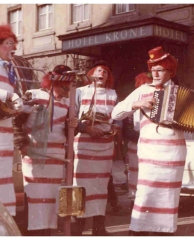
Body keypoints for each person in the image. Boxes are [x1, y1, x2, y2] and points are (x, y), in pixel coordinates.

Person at [111, 46, 194, 236]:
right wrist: (137, 104)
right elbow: (116, 112)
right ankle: (139, 231)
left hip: (174, 152)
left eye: (160, 69)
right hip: (149, 151)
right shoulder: (142, 90)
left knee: (168, 196)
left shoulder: (181, 92)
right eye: (153, 69)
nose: (155, 73)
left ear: (170, 71)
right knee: (146, 193)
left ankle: (164, 233)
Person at [13, 64, 78, 236]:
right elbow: (15, 120)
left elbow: (63, 130)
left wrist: (74, 126)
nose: (68, 90)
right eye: (66, 85)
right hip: (35, 157)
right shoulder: (35, 95)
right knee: (34, 200)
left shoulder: (67, 103)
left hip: (56, 159)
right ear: (55, 82)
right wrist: (22, 144)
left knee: (50, 204)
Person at [73, 60, 120, 236]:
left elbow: (117, 116)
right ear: (92, 73)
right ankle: (78, 225)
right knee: (81, 185)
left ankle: (98, 227)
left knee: (101, 186)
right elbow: (72, 116)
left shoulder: (113, 94)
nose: (102, 74)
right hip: (85, 145)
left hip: (104, 146)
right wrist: (87, 129)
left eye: (106, 72)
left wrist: (116, 126)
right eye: (99, 70)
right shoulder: (79, 92)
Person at [0, 24, 23, 217]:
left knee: (4, 179)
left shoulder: (8, 70)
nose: (12, 48)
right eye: (8, 43)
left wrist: (18, 104)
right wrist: (10, 97)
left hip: (5, 133)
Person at [122, 72, 152, 209]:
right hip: (135, 143)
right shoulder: (133, 103)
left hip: (150, 144)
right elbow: (126, 127)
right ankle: (134, 199)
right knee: (134, 172)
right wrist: (138, 137)